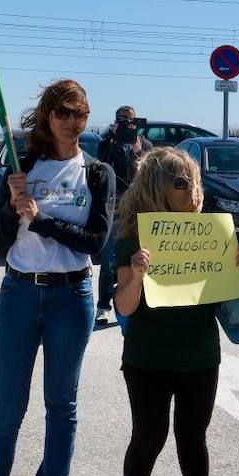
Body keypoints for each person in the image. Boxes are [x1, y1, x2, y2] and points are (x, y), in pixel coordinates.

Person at [0, 79, 115, 476]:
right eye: (64, 113)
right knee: (7, 405)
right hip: (19, 294)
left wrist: (42, 219)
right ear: (48, 115)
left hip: (72, 298)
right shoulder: (22, 165)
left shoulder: (97, 173)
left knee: (62, 405)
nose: (73, 122)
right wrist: (12, 207)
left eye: (81, 114)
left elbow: (96, 244)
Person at [110, 147, 239, 476]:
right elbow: (124, 306)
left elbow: (237, 306)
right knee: (148, 437)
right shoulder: (133, 237)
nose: (193, 190)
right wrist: (135, 274)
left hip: (200, 357)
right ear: (157, 187)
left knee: (193, 438)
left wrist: (237, 268)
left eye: (194, 181)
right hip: (147, 359)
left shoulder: (212, 234)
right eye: (181, 182)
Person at [94, 105, 154, 324]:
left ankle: (134, 300)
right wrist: (114, 139)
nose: (127, 124)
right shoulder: (107, 143)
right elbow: (101, 166)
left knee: (137, 256)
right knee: (110, 256)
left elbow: (148, 172)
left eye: (130, 121)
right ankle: (103, 305)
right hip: (115, 207)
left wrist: (137, 149)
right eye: (122, 120)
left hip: (138, 208)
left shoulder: (145, 145)